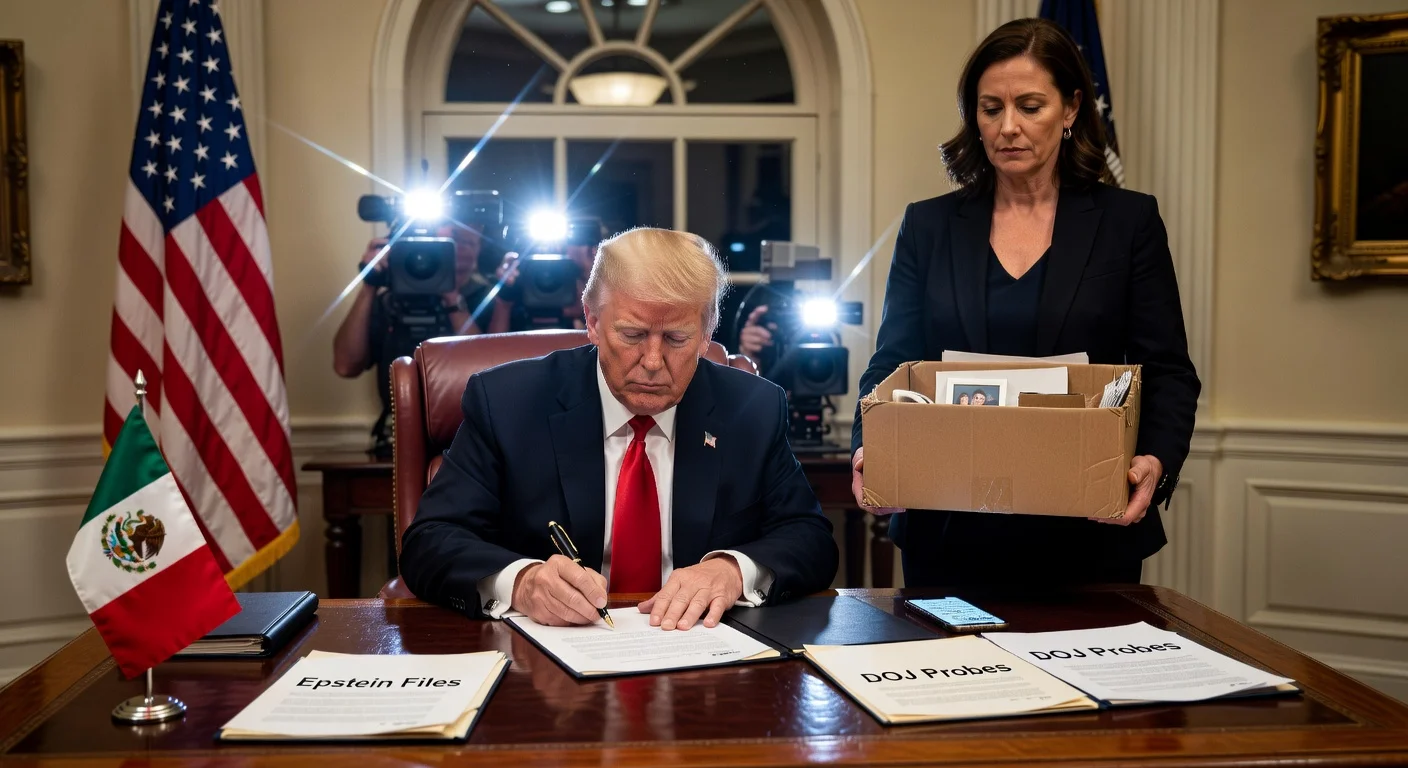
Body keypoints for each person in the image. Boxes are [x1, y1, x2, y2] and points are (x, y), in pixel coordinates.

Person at [850, 18, 1200, 587]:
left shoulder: (1128, 222)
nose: (1008, 127)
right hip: (948, 530)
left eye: (1030, 106)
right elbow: (891, 362)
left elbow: (1168, 370)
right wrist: (872, 448)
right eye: (991, 109)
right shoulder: (929, 225)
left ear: (1070, 110)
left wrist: (1155, 461)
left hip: (1088, 529)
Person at [401, 227, 838, 630]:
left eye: (676, 339)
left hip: (702, 656)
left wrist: (730, 571)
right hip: (547, 663)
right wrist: (523, 582)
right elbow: (430, 542)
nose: (652, 361)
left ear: (707, 332)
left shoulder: (752, 409)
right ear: (592, 321)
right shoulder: (509, 403)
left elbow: (810, 539)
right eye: (631, 335)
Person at [333, 222, 490, 447]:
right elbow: (345, 365)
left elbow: (489, 367)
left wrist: (451, 299)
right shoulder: (389, 302)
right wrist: (370, 283)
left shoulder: (485, 299)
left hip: (468, 435)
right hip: (397, 436)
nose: (457, 249)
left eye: (463, 242)